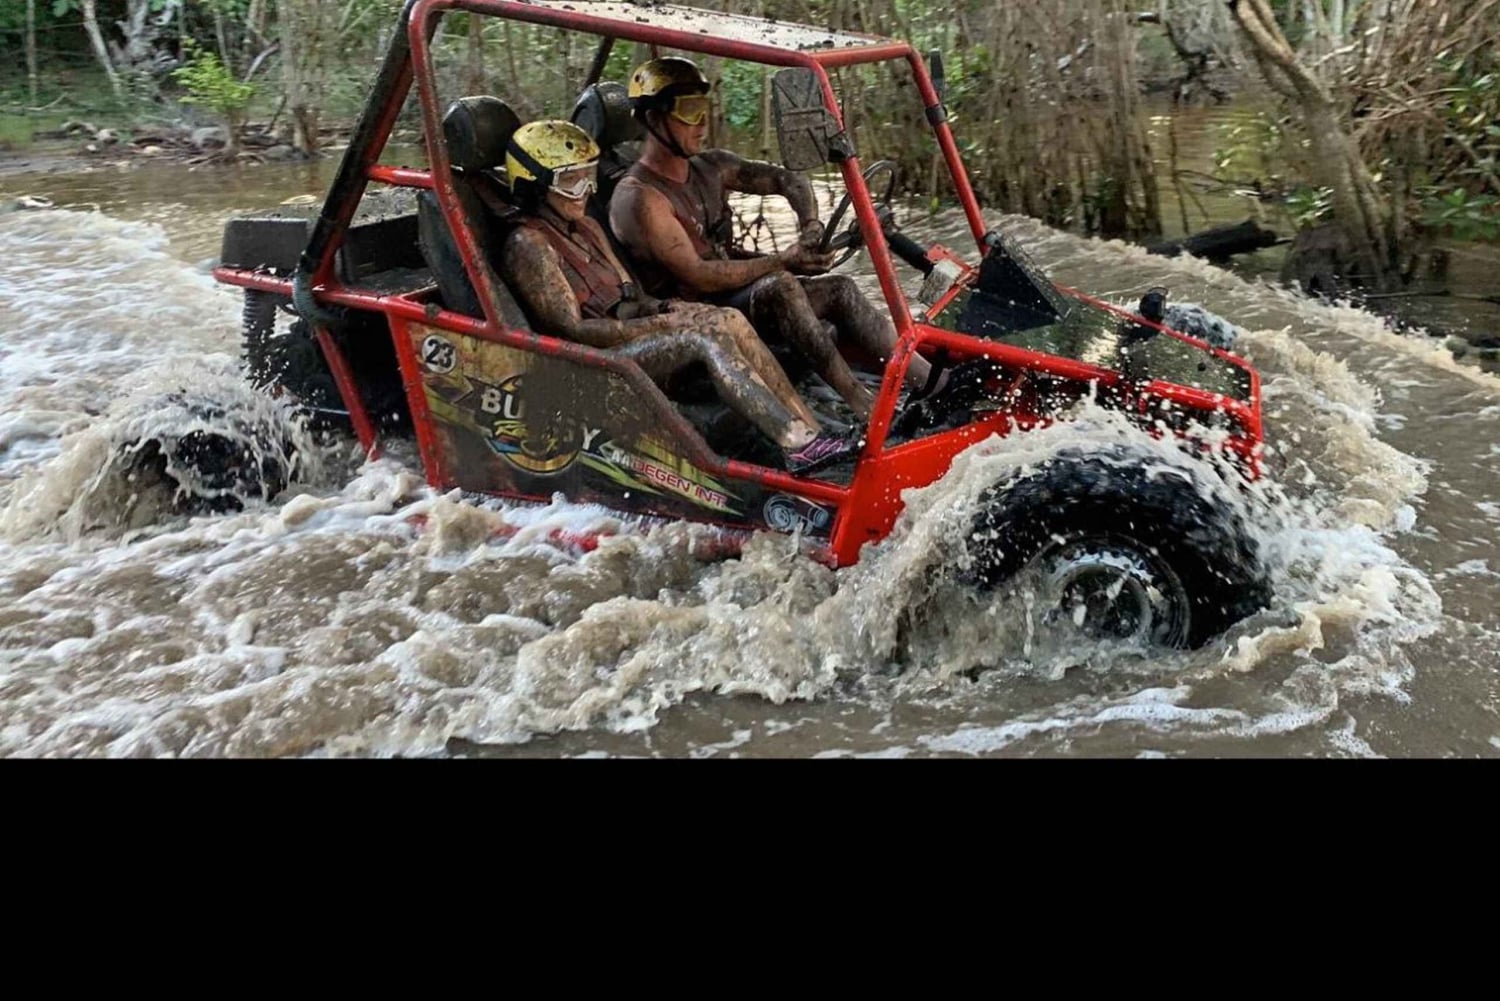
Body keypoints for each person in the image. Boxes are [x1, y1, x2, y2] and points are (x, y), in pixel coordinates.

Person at [494, 120, 855, 473]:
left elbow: (631, 294)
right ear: (534, 184)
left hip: (628, 338)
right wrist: (659, 325)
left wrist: (667, 308)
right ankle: (795, 442)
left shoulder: (586, 226)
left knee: (726, 318)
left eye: (587, 176)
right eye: (570, 181)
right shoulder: (529, 244)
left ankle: (810, 435)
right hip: (591, 364)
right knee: (704, 338)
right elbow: (573, 331)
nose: (585, 190)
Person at [608, 56, 937, 424]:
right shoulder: (640, 198)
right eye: (689, 111)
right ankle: (862, 404)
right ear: (654, 120)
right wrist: (784, 260)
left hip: (735, 299)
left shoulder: (711, 167)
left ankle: (933, 382)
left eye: (704, 108)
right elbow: (697, 275)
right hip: (695, 318)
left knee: (840, 289)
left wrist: (810, 225)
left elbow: (788, 181)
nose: (702, 123)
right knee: (781, 286)